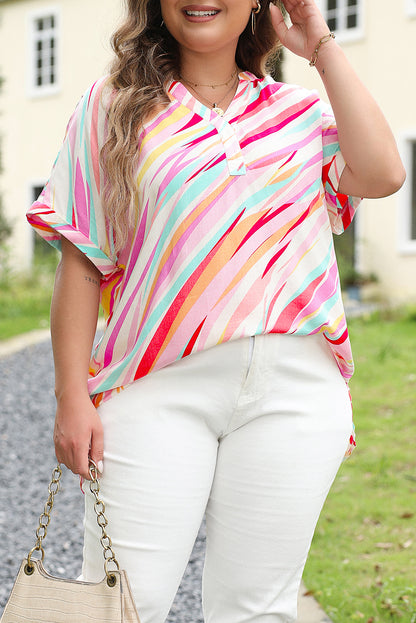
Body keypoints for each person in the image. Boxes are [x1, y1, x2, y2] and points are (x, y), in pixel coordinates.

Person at [27, 1, 405, 621]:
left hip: (295, 392)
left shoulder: (299, 113)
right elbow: (82, 260)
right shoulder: (111, 108)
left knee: (260, 609)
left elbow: (384, 172)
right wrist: (72, 394)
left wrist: (320, 45)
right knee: (119, 607)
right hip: (156, 387)